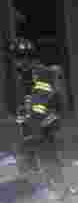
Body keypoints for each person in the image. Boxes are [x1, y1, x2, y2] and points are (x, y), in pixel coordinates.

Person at [7, 37, 63, 191]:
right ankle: (38, 189)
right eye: (19, 57)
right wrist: (22, 116)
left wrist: (38, 120)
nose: (23, 61)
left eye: (27, 57)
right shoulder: (21, 76)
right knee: (26, 158)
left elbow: (45, 100)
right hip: (30, 123)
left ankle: (58, 189)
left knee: (47, 156)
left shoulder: (42, 73)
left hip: (43, 122)